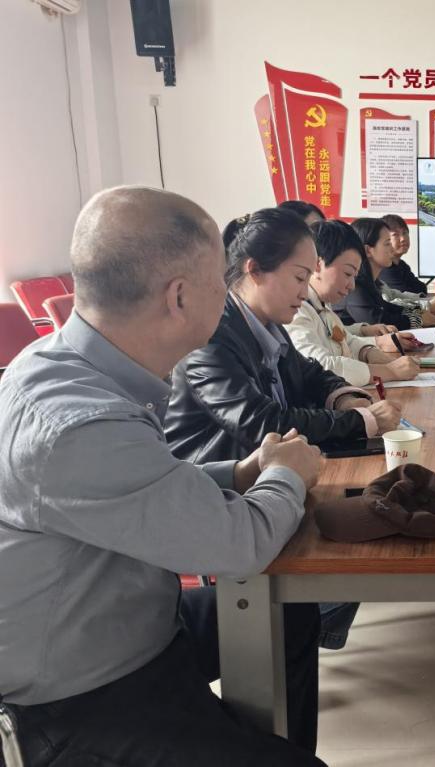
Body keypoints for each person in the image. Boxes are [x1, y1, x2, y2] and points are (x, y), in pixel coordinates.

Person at [0, 186, 326, 764]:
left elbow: (146, 483)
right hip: (79, 697)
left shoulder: (63, 365)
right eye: (219, 280)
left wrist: (243, 471)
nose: (229, 294)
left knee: (287, 615)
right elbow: (239, 546)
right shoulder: (79, 423)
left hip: (131, 621)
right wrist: (288, 475)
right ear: (179, 296)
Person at [164, 207, 402, 464]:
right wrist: (360, 420)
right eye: (299, 278)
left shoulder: (269, 325)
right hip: (216, 482)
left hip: (275, 471)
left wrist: (344, 398)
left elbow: (310, 373)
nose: (304, 292)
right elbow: (261, 423)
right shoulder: (210, 337)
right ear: (255, 270)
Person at [286, 219, 420, 386]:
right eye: (347, 274)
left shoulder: (321, 304)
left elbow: (346, 339)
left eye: (354, 276)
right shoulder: (296, 310)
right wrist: (390, 371)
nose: (352, 286)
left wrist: (368, 352)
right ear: (317, 265)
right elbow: (322, 366)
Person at [341, 217, 435, 329]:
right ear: (368, 250)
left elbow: (389, 308)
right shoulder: (354, 286)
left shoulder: (372, 283)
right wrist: (418, 318)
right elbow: (377, 321)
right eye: (387, 244)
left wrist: (419, 312)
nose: (392, 249)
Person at [379, 214, 429, 295]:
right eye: (395, 235)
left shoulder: (402, 265)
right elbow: (403, 294)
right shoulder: (383, 268)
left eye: (405, 233)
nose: (403, 239)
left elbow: (422, 288)